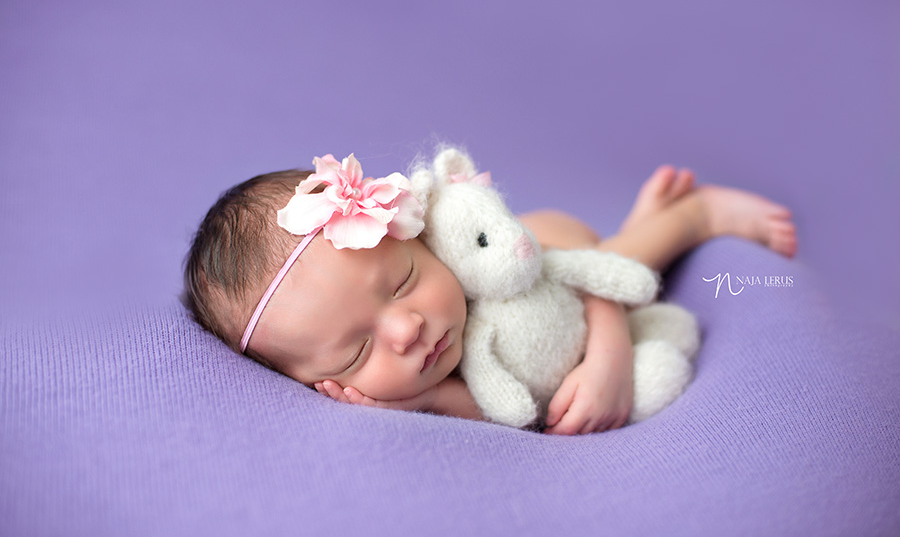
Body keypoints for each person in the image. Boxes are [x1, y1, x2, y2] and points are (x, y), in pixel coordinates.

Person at [183, 153, 797, 436]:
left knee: (610, 265)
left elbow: (584, 282)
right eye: (352, 355)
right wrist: (408, 409)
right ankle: (645, 221)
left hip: (552, 249)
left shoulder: (461, 265)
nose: (407, 331)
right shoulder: (402, 391)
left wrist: (608, 355)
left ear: (415, 238)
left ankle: (693, 218)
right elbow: (476, 405)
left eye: (402, 282)